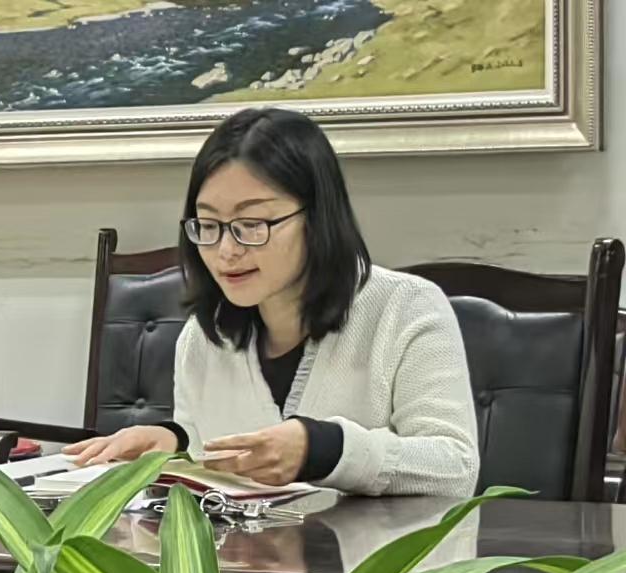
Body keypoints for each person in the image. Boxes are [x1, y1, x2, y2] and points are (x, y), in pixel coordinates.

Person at [66, 108, 479, 497]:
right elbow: (214, 468)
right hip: (241, 553)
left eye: (252, 224)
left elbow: (455, 467)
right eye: (208, 224)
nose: (226, 250)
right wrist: (175, 445)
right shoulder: (203, 336)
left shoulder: (406, 308)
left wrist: (325, 450)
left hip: (375, 551)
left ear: (317, 218)